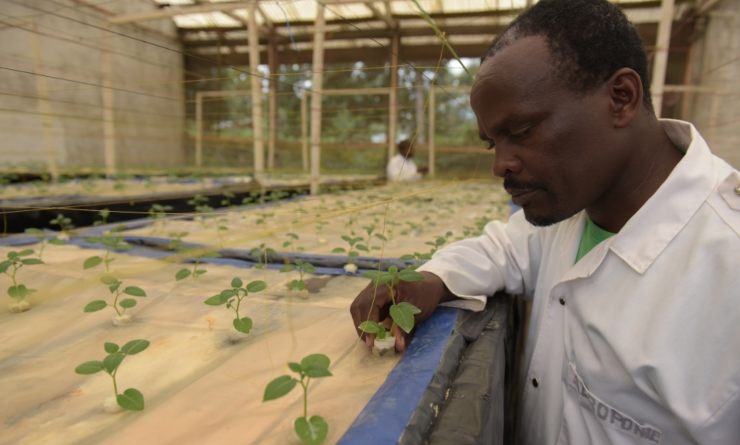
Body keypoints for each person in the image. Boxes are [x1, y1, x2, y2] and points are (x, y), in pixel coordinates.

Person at [350, 0, 739, 444]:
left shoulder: (727, 267)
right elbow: (501, 249)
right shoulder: (570, 210)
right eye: (491, 143)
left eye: (520, 131)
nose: (500, 165)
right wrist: (432, 278)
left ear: (621, 98)